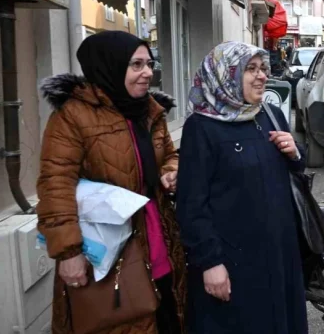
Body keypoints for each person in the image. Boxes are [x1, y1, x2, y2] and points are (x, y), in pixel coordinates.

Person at [36, 31, 186, 334]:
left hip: (159, 237)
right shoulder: (73, 116)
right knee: (121, 320)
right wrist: (68, 253)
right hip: (107, 250)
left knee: (168, 316)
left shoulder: (149, 111)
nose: (147, 73)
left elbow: (170, 154)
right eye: (136, 65)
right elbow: (56, 185)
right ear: (111, 66)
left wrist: (171, 171)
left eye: (149, 64)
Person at [176, 41, 308, 334]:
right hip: (235, 261)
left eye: (263, 68)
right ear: (226, 74)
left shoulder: (270, 114)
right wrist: (210, 263)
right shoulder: (202, 127)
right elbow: (191, 205)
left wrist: (295, 153)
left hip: (279, 252)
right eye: (251, 69)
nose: (261, 76)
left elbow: (292, 169)